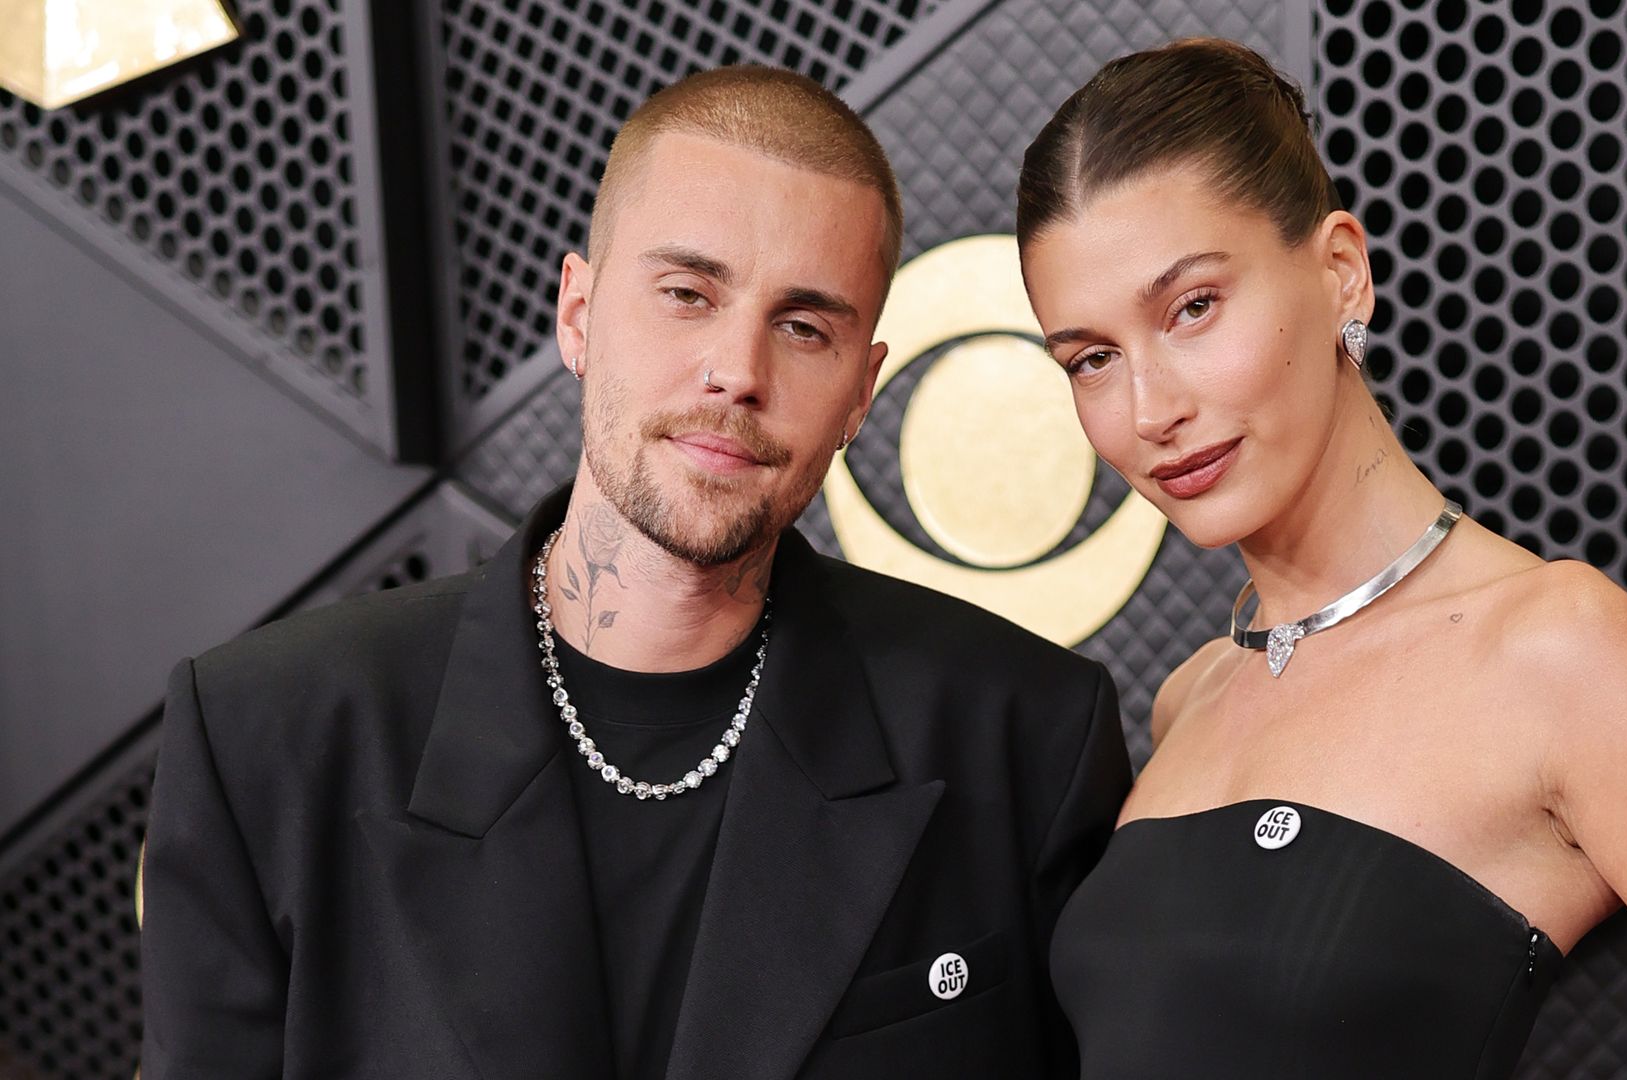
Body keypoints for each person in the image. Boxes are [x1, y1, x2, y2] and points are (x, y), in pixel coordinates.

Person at [140, 64, 1130, 1080]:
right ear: (578, 314)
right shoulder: (270, 735)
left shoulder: (1023, 738)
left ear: (861, 394)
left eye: (803, 327)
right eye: (687, 294)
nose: (738, 371)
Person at [1015, 37, 1627, 1079]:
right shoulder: (1193, 697)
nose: (1150, 409)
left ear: (1341, 274)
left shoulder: (1561, 654)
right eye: (1092, 359)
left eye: (1193, 308)